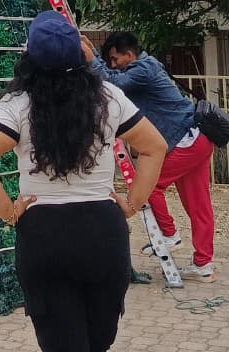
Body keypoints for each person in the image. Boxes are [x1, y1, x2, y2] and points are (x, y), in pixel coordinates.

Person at [0, 10, 167, 352]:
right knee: (96, 350)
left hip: (45, 235)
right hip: (102, 232)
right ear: (80, 54)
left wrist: (9, 211)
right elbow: (155, 146)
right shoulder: (109, 97)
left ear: (30, 57)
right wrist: (132, 202)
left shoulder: (18, 105)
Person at [83, 30, 216, 282]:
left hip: (184, 141)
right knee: (199, 205)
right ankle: (204, 264)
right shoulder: (143, 67)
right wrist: (94, 54)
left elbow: (112, 84)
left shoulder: (144, 69)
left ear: (129, 54)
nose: (113, 65)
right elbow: (112, 76)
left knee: (147, 185)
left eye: (115, 59)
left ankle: (169, 235)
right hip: (195, 139)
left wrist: (91, 59)